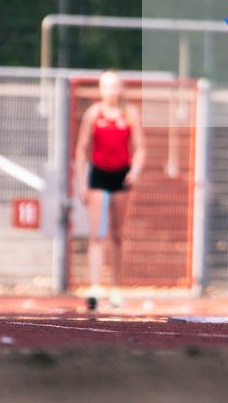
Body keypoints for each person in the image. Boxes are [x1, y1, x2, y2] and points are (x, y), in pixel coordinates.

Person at [73, 71, 146, 302]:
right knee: (97, 234)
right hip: (99, 174)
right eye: (107, 86)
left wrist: (134, 171)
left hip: (121, 175)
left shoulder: (130, 114)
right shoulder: (94, 114)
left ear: (121, 88)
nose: (111, 91)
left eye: (115, 86)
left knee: (117, 234)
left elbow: (140, 148)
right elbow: (82, 149)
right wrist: (81, 181)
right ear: (101, 89)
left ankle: (115, 287)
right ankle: (95, 286)